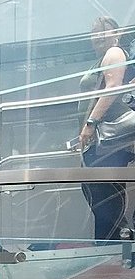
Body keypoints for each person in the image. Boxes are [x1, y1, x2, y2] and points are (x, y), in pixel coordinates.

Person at [77, 16, 133, 241]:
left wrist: (91, 124)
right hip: (101, 137)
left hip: (108, 135)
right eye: (94, 30)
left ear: (116, 33)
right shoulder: (102, 58)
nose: (97, 35)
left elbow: (112, 88)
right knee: (100, 194)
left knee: (102, 194)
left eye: (103, 30)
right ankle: (113, 245)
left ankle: (112, 247)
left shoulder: (114, 53)